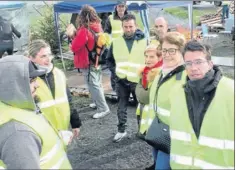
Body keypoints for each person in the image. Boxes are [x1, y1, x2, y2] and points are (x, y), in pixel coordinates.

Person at [169, 40, 234, 169]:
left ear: (210, 64)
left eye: (199, 62)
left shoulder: (231, 90)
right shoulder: (176, 93)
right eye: (188, 63)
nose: (193, 68)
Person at [0, 55, 72, 169]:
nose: (37, 85)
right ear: (12, 85)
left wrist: (57, 139)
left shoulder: (17, 109)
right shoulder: (18, 134)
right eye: (31, 81)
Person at [28, 39, 81, 142]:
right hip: (42, 133)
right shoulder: (29, 80)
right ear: (32, 58)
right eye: (43, 56)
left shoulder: (59, 73)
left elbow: (68, 99)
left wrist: (75, 122)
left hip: (63, 129)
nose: (48, 59)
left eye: (49, 55)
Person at [147, 32, 187, 170]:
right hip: (158, 131)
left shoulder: (186, 76)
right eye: (164, 50)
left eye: (172, 50)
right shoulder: (160, 72)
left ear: (181, 51)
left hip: (174, 137)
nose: (167, 54)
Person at [106, 14, 147, 142]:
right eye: (126, 27)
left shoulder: (144, 41)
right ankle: (121, 130)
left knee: (140, 107)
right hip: (121, 80)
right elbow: (109, 60)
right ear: (122, 27)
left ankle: (142, 130)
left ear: (136, 26)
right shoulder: (116, 42)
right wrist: (116, 72)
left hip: (137, 81)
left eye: (131, 26)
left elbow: (150, 59)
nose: (128, 29)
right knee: (121, 106)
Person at [70, 5, 110, 119]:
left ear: (82, 16)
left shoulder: (84, 30)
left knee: (93, 84)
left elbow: (74, 47)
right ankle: (97, 102)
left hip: (87, 61)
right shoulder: (98, 26)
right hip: (96, 59)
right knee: (97, 83)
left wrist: (72, 37)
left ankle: (103, 108)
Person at [135, 44, 163, 140]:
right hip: (144, 110)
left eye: (152, 57)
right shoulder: (145, 71)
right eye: (146, 56)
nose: (148, 59)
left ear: (160, 58)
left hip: (152, 113)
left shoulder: (159, 73)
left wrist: (138, 91)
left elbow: (145, 97)